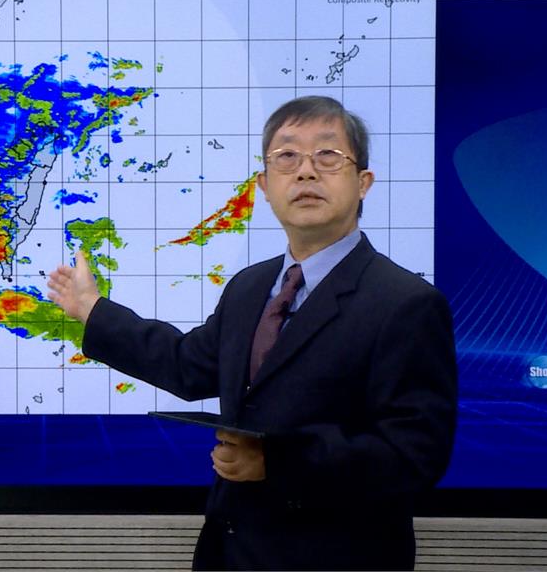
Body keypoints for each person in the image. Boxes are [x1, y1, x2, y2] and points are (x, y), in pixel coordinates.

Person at [47, 96, 457, 571]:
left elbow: (415, 455)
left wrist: (277, 465)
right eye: (286, 157)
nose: (305, 171)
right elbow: (187, 366)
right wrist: (91, 310)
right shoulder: (250, 286)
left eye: (327, 155)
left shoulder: (405, 303)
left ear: (363, 182)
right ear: (264, 185)